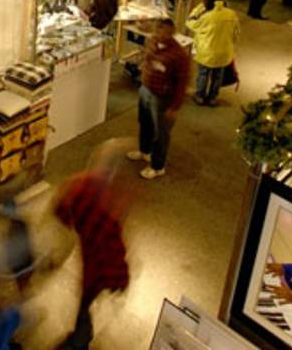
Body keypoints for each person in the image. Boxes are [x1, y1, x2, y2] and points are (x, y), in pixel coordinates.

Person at [53, 140, 130, 349]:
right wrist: (121, 278)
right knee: (85, 302)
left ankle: (80, 338)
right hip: (96, 269)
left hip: (91, 264)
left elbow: (60, 212)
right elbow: (112, 248)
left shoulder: (78, 185)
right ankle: (80, 339)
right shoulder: (110, 202)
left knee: (84, 303)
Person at [127, 18, 189, 179]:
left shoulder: (179, 55)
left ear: (172, 33)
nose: (161, 35)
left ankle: (157, 166)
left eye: (166, 32)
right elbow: (148, 58)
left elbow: (182, 83)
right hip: (146, 90)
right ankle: (144, 151)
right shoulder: (153, 41)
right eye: (159, 31)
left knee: (160, 133)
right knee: (145, 123)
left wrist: (174, 107)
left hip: (163, 98)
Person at [186, 0, 240, 106]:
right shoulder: (231, 14)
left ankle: (200, 96)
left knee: (203, 74)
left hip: (207, 52)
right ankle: (213, 98)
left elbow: (190, 23)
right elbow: (236, 33)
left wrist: (198, 9)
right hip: (224, 52)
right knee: (217, 76)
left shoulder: (207, 17)